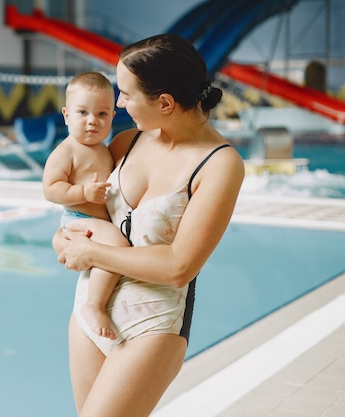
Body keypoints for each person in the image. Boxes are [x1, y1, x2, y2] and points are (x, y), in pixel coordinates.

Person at [53, 34, 245, 417]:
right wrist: (63, 239)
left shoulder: (220, 165)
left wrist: (91, 251)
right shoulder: (127, 142)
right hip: (90, 309)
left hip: (152, 325)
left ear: (165, 103)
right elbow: (84, 215)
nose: (119, 103)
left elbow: (178, 267)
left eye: (126, 94)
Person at [43, 71, 131, 340]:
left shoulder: (105, 149)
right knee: (117, 247)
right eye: (83, 113)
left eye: (102, 114)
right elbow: (51, 189)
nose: (92, 121)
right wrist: (83, 192)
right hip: (78, 217)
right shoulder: (66, 150)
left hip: (96, 222)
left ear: (112, 117)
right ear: (67, 115)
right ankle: (94, 305)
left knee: (111, 246)